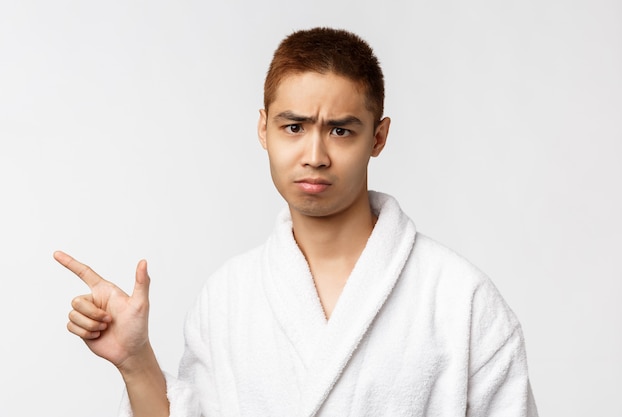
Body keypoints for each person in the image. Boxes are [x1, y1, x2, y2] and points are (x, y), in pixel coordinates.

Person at [55, 27, 538, 417]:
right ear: (263, 129)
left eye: (341, 130)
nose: (315, 155)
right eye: (294, 127)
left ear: (378, 137)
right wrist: (136, 363)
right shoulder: (227, 299)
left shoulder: (460, 299)